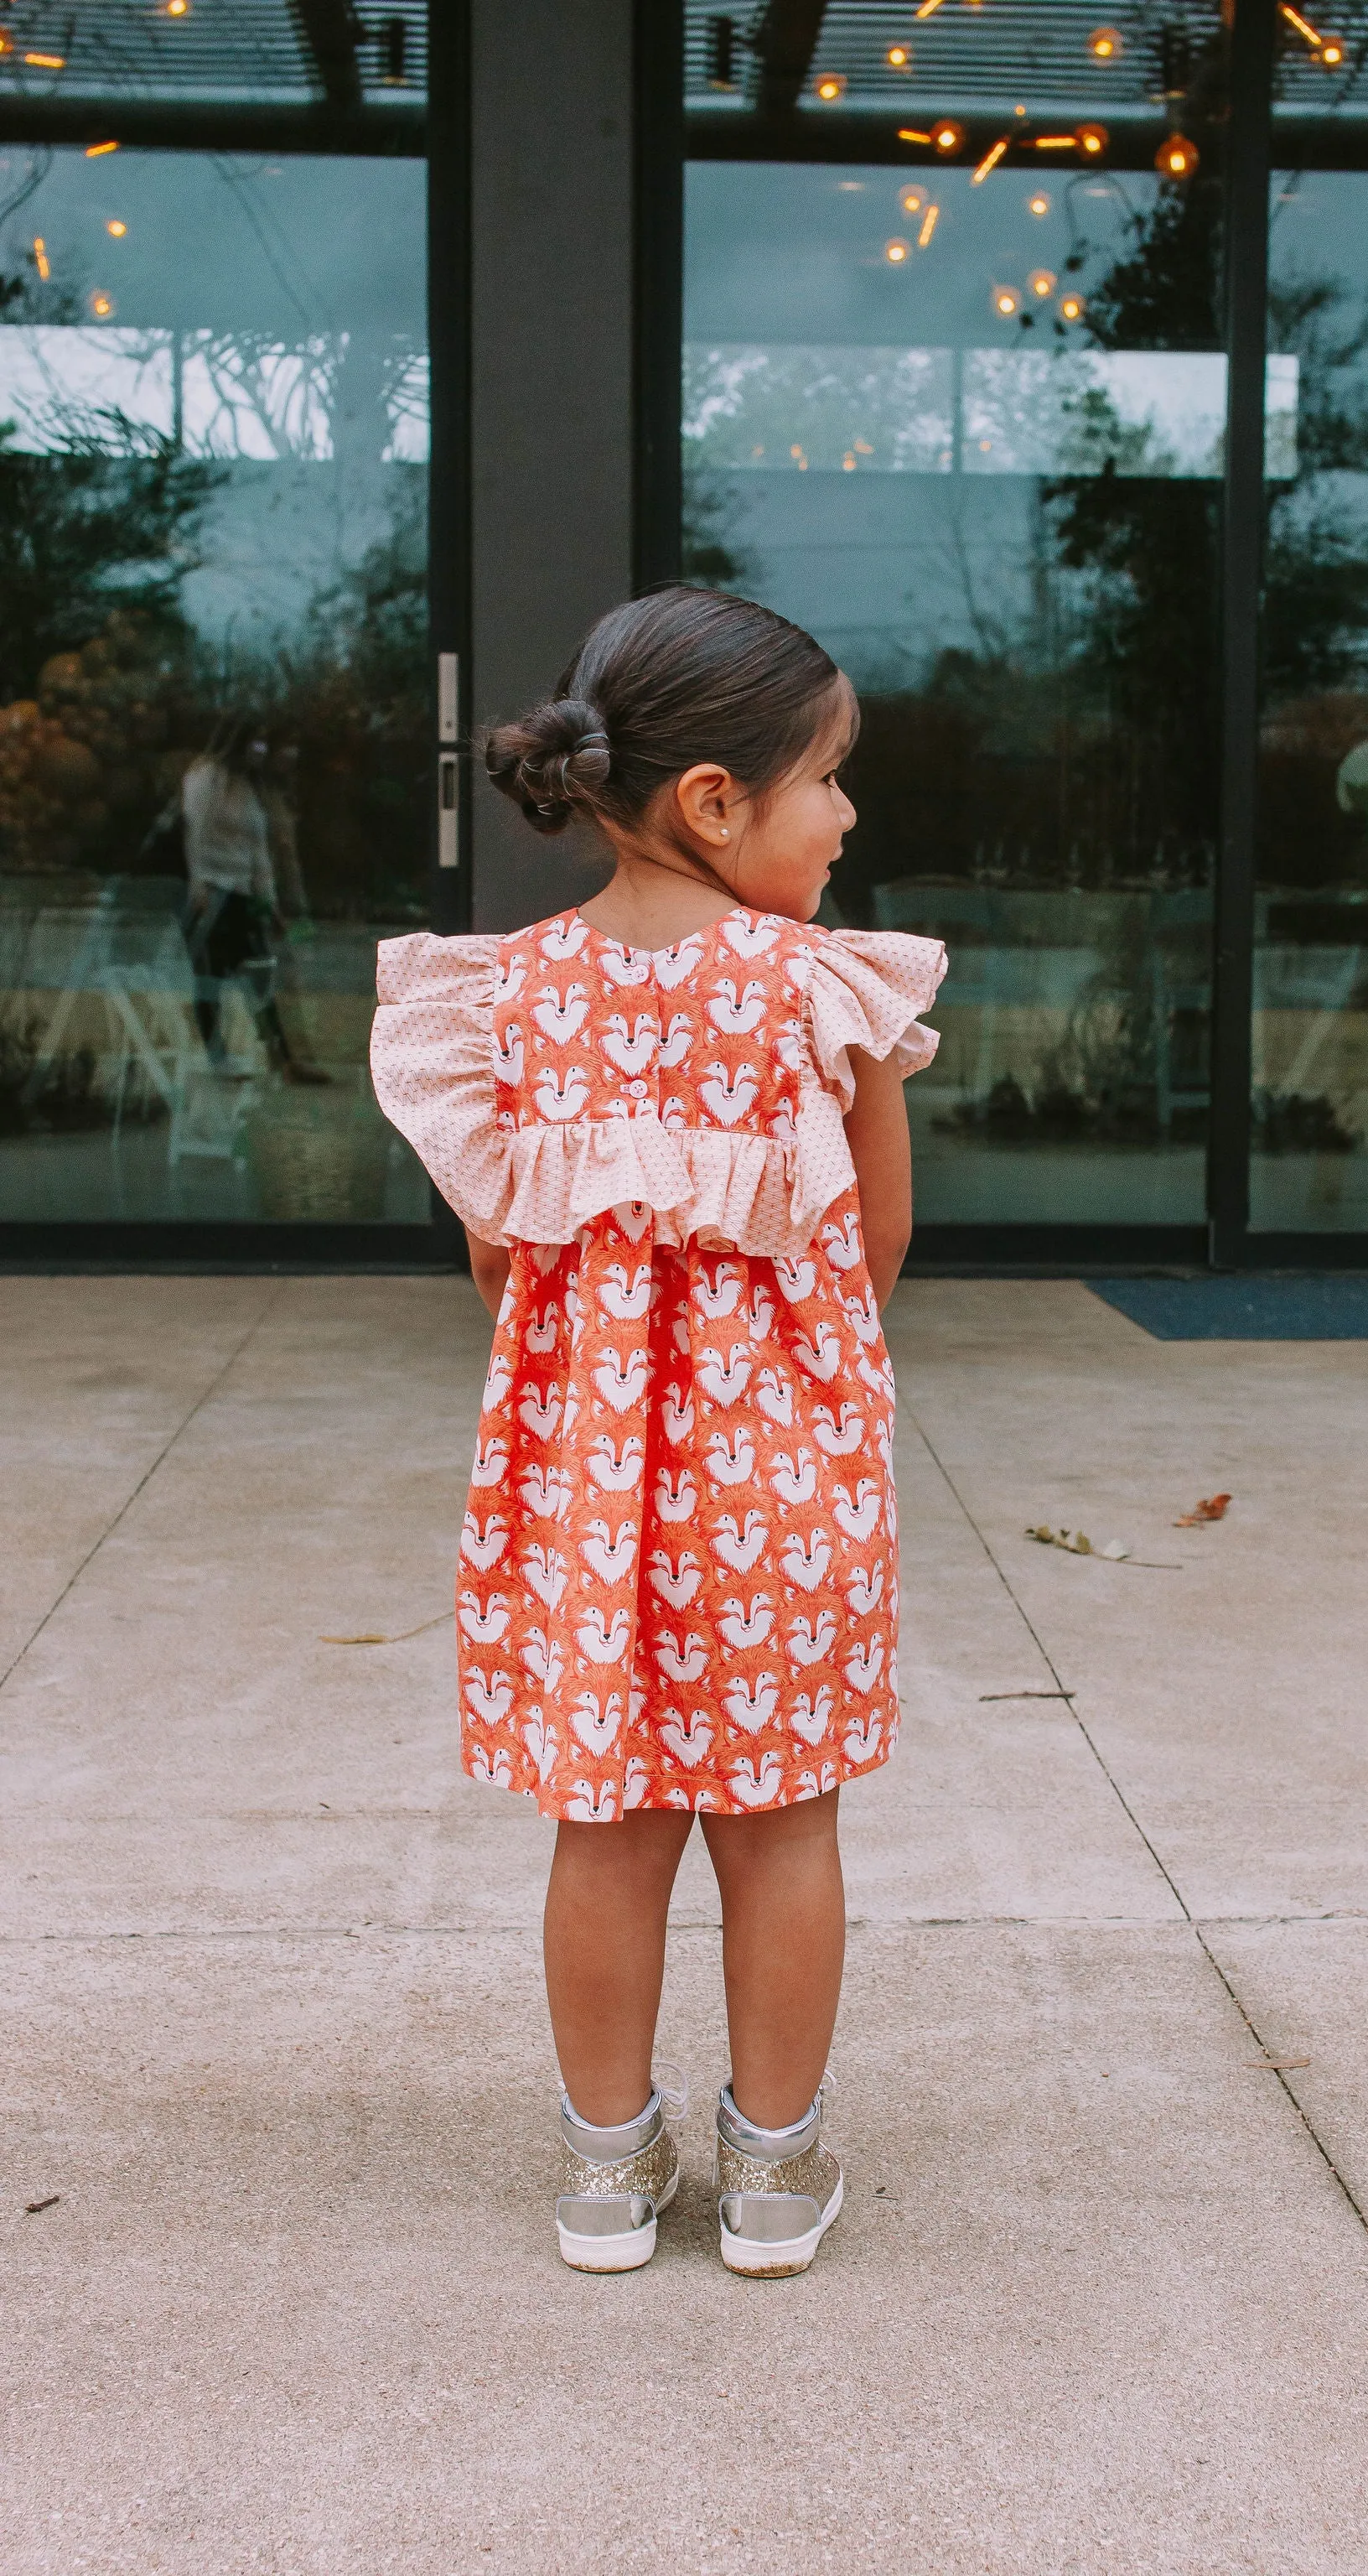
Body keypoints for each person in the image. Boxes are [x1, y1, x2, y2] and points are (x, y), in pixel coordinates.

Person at [370, 588, 945, 2277]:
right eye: (829, 781)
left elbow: (500, 1257)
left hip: (581, 1486)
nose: (844, 818)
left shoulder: (500, 1008)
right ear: (714, 801)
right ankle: (771, 2177)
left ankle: (607, 2173)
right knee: (784, 1827)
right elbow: (882, 1245)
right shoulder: (829, 991)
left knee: (604, 1826)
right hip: (786, 1480)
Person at [180, 718, 325, 1083]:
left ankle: (281, 1056)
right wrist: (197, 885)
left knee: (260, 975)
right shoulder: (204, 780)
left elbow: (257, 852)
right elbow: (193, 834)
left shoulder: (247, 789)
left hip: (242, 894)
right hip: (212, 891)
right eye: (254, 742)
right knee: (209, 978)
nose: (260, 752)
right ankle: (219, 1056)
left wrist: (268, 902)